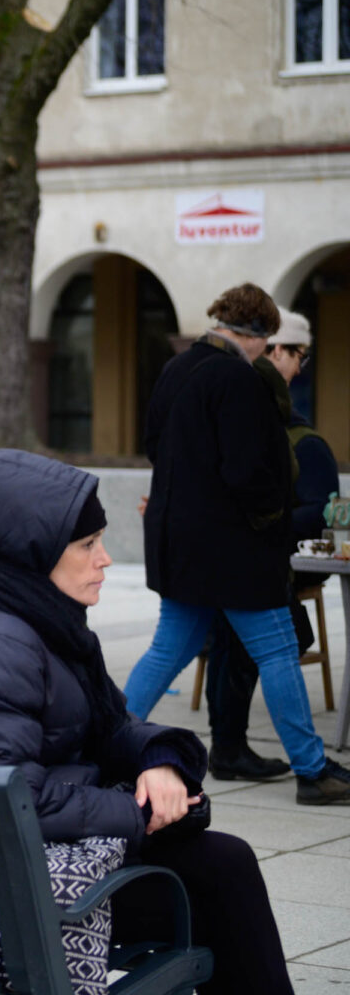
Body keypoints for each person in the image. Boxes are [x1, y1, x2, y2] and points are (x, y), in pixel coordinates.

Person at [0, 449, 293, 995]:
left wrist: (162, 761)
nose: (105, 559)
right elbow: (4, 803)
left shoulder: (39, 616)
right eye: (87, 545)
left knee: (221, 869)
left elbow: (110, 724)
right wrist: (135, 811)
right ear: (34, 554)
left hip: (31, 862)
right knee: (220, 877)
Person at [122, 283, 350, 805]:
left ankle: (103, 742)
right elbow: (249, 471)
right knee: (278, 649)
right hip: (234, 549)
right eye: (266, 341)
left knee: (169, 648)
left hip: (179, 538)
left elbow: (155, 444)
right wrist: (270, 523)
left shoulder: (176, 368)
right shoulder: (237, 378)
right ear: (255, 334)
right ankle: (313, 770)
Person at [205, 309, 338, 780]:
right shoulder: (247, 407)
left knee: (229, 639)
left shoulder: (297, 436)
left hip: (259, 557)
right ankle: (294, 763)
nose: (300, 367)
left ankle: (230, 746)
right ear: (275, 349)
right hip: (252, 559)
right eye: (298, 355)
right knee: (262, 641)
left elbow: (320, 509)